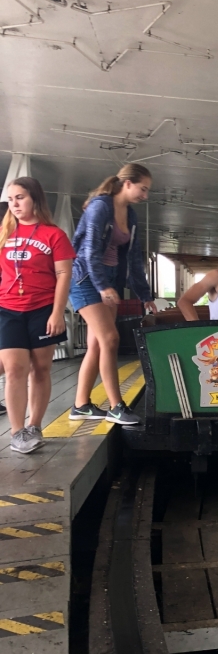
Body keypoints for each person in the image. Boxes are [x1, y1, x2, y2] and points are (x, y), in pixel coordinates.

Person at [69, 164, 156, 425]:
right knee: (110, 339)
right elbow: (89, 252)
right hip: (86, 279)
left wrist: (144, 294)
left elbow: (132, 256)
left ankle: (80, 405)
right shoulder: (100, 207)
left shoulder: (130, 216)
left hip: (109, 280)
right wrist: (102, 287)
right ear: (127, 183)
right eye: (143, 189)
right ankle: (117, 407)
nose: (145, 195)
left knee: (97, 344)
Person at [0, 178, 74, 453]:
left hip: (42, 308)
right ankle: (17, 431)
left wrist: (57, 313)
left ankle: (34, 425)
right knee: (15, 368)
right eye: (10, 199)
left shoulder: (53, 235)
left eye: (20, 197)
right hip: (8, 308)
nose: (15, 204)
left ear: (35, 199)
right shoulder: (4, 232)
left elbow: (64, 274)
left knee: (41, 369)